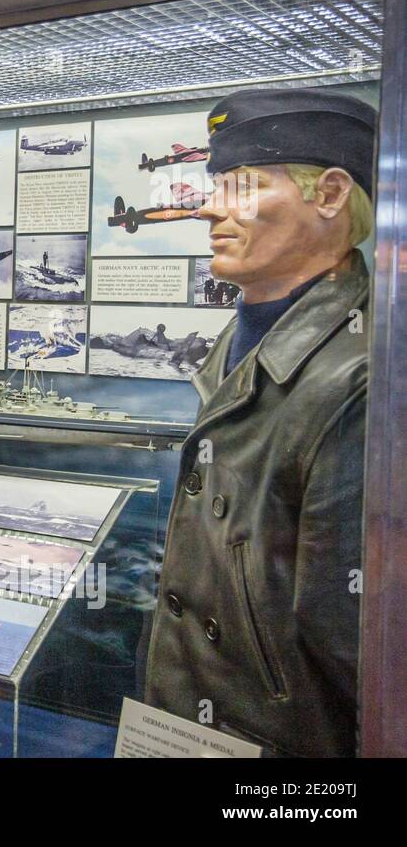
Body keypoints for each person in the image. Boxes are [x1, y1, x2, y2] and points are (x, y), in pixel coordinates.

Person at [144, 88, 376, 756]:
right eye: (217, 186)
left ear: (329, 195)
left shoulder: (362, 374)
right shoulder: (244, 343)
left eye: (242, 187)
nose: (212, 208)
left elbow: (351, 639)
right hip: (190, 723)